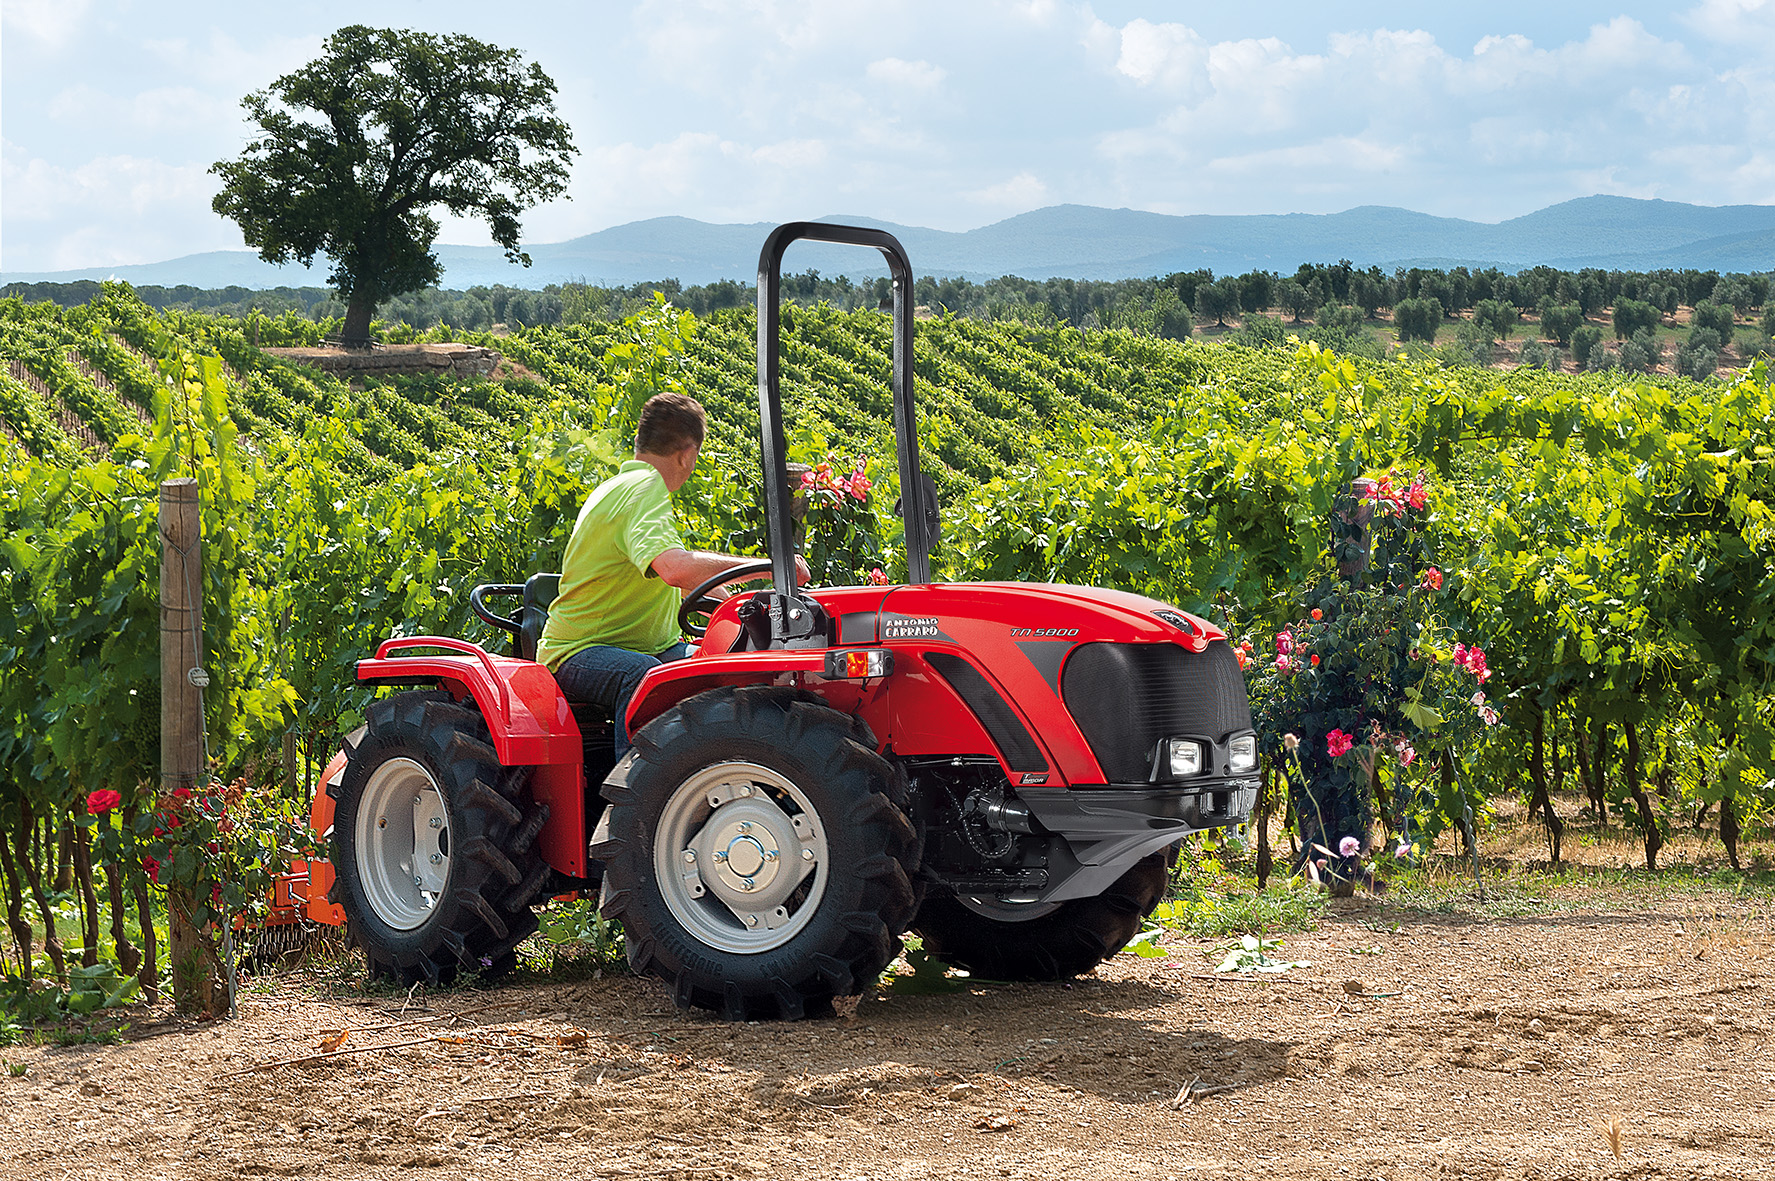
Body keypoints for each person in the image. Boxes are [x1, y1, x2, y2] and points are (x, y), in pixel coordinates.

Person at [537, 392, 806, 758]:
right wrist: (770, 566)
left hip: (648, 645)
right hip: (579, 652)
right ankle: (636, 788)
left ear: (641, 441)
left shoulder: (620, 488)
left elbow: (682, 582)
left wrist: (736, 611)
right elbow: (675, 569)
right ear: (688, 455)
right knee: (645, 676)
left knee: (718, 666)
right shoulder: (643, 490)